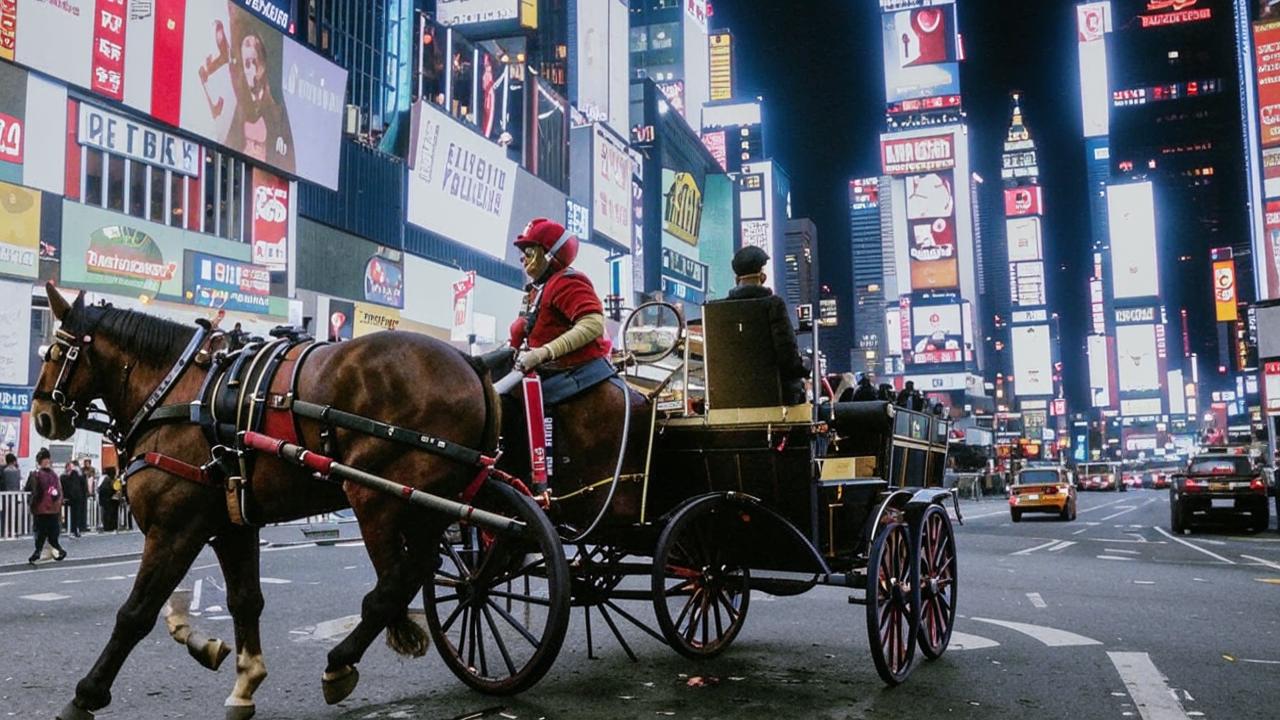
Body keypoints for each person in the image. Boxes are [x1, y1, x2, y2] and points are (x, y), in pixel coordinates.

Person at [507, 218, 612, 377]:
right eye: (522, 253)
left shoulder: (565, 282)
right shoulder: (537, 290)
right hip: (552, 373)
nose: (523, 258)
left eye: (529, 252)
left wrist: (544, 352)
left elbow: (592, 324)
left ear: (549, 255)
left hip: (575, 376)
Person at [719, 246, 808, 405]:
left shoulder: (720, 309)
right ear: (762, 275)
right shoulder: (774, 305)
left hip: (731, 400)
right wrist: (805, 365)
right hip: (775, 398)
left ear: (736, 278)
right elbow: (787, 358)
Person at [25, 448, 66, 564]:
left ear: (39, 461)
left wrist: (32, 505)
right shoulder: (54, 475)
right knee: (52, 535)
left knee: (40, 533)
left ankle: (37, 552)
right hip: (54, 509)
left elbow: (31, 490)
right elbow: (59, 492)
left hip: (41, 510)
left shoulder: (36, 475)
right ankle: (59, 550)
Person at [61, 461, 88, 538]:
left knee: (74, 515)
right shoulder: (73, 476)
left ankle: (73, 529)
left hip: (73, 498)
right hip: (75, 498)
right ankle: (74, 529)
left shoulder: (73, 475)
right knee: (75, 515)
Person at [1, 452, 20, 536]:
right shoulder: (17, 471)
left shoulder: (5, 471)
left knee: (6, 514)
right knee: (14, 513)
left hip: (6, 495)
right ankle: (15, 530)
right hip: (15, 495)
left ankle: (5, 530)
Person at [99, 468, 120, 532]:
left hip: (107, 500)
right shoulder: (110, 480)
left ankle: (108, 527)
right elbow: (114, 489)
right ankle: (110, 527)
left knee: (107, 514)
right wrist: (113, 492)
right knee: (110, 514)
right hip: (110, 500)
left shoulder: (105, 480)